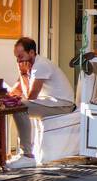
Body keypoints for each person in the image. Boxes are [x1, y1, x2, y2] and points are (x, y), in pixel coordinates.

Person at [6, 37, 76, 168]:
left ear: (31, 53)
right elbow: (17, 89)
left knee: (20, 107)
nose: (18, 61)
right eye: (16, 57)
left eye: (20, 56)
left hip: (63, 105)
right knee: (10, 106)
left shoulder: (40, 65)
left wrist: (23, 74)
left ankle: (27, 156)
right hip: (50, 102)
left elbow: (30, 96)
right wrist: (5, 97)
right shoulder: (30, 66)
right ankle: (13, 152)